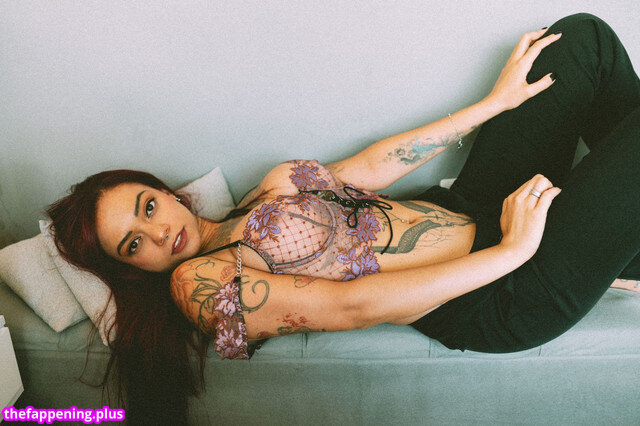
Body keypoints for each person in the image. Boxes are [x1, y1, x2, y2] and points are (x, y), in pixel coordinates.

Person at [46, 12, 640, 425]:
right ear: (133, 269)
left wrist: (494, 104)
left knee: (578, 42)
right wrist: (511, 253)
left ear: (166, 193)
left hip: (473, 208)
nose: (157, 232)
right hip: (503, 291)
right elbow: (352, 307)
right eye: (133, 245)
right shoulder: (195, 284)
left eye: (148, 207)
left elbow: (373, 167)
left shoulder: (266, 188)